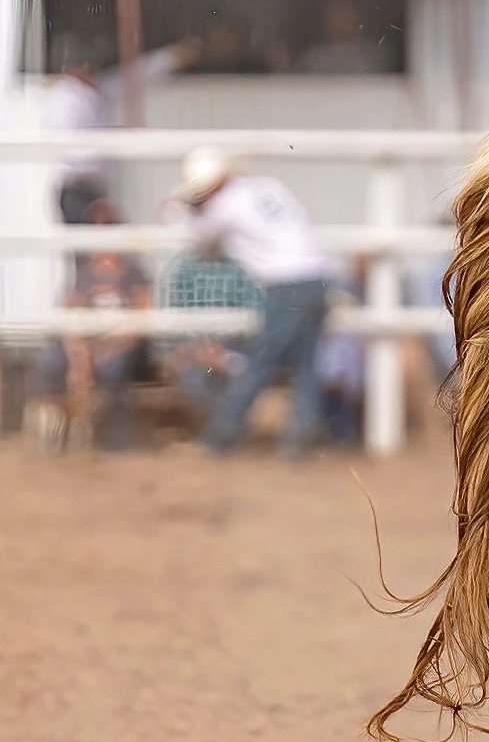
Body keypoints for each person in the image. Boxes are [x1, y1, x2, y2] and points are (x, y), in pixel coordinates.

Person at [169, 148, 332, 455]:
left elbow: (200, 236)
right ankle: (300, 440)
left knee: (260, 363)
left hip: (286, 285)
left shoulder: (224, 206)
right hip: (317, 276)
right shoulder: (266, 186)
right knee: (306, 364)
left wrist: (182, 209)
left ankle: (221, 437)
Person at [36, 198, 154, 451]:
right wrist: (80, 359)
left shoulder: (135, 274)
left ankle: (118, 437)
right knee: (50, 362)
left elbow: (142, 320)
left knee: (113, 367)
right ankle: (56, 433)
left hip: (122, 345)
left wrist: (106, 349)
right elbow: (70, 316)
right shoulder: (83, 275)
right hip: (86, 344)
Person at [42, 38, 202, 222]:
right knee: (90, 244)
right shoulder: (64, 100)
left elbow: (133, 76)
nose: (91, 70)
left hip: (95, 188)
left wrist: (170, 57)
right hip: (76, 188)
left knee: (100, 243)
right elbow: (72, 147)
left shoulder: (95, 89)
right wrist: (114, 135)